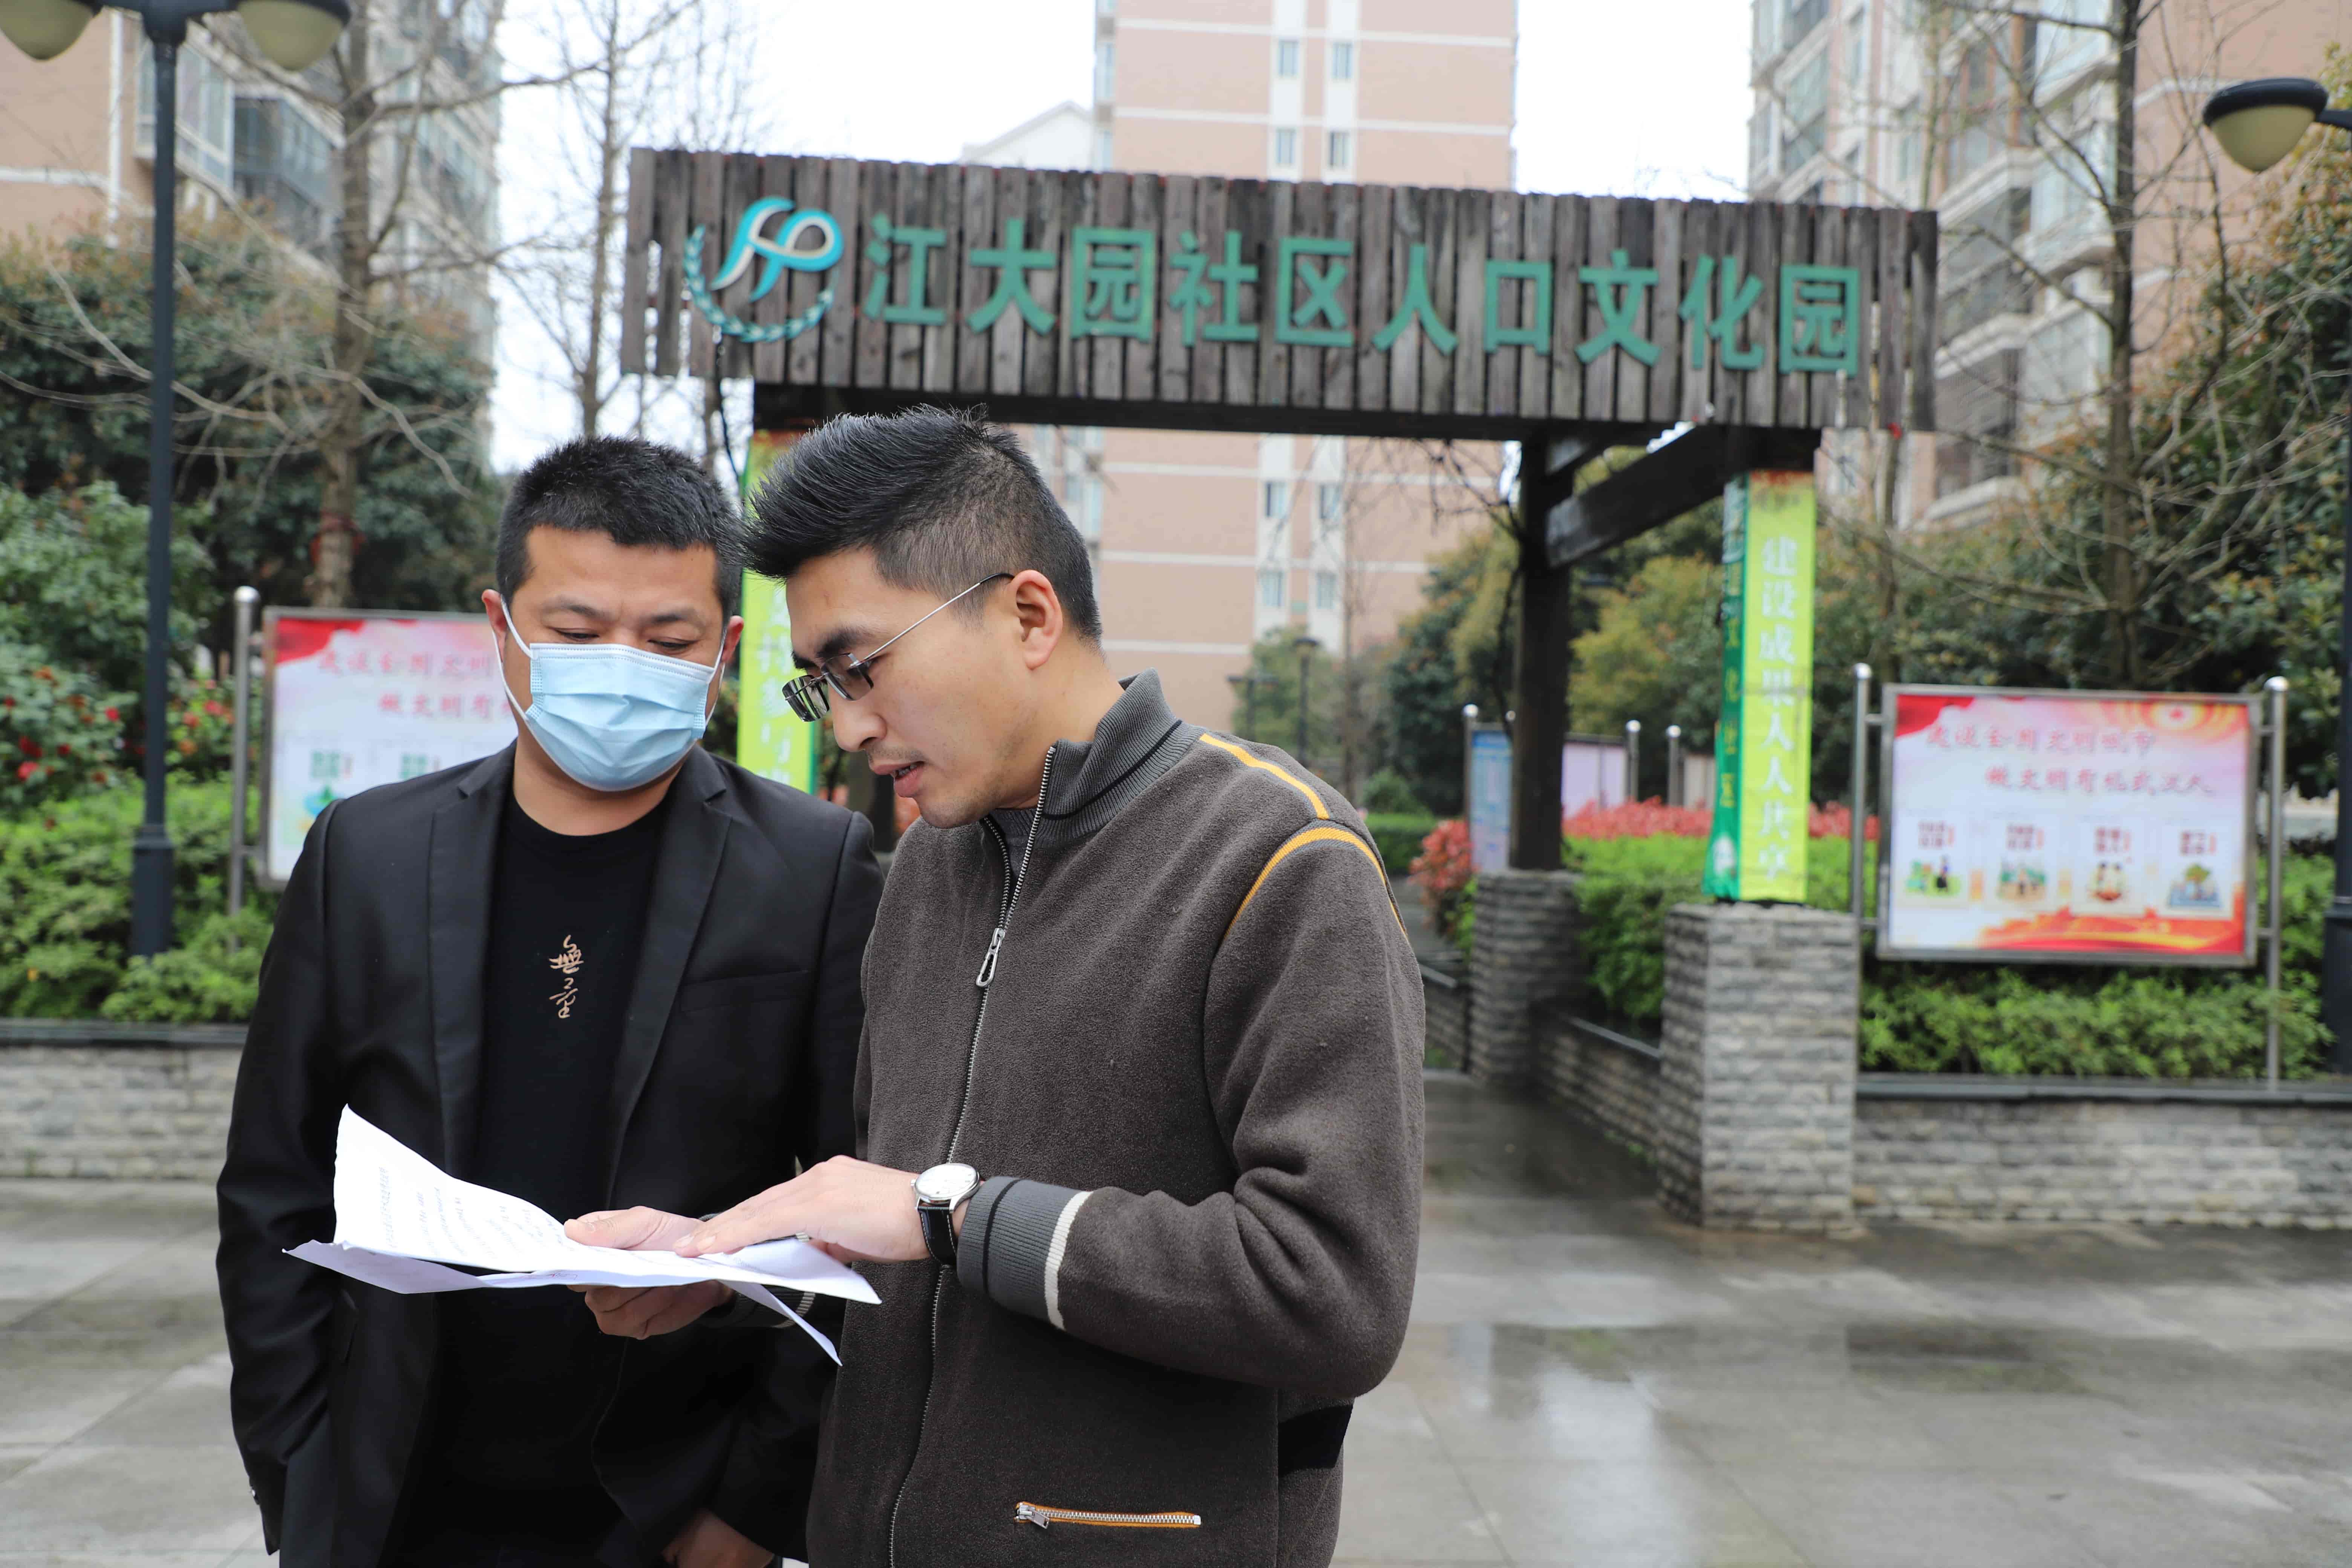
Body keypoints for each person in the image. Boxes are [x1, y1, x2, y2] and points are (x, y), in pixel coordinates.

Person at [566, 407, 1423, 1567]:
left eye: (864, 667)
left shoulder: (1281, 859)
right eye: (820, 686)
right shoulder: (930, 866)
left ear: (1028, 614)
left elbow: (1335, 1298)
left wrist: (955, 1214)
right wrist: (729, 1259)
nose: (850, 725)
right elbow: (899, 1225)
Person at [217, 436, 882, 1568]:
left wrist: (751, 1509)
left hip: (670, 1507)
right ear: (502, 627)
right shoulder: (367, 855)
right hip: (393, 1496)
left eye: (667, 640)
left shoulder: (813, 868)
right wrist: (301, 1473)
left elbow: (850, 1195)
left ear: (724, 649)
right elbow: (275, 1187)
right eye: (576, 632)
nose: (621, 665)